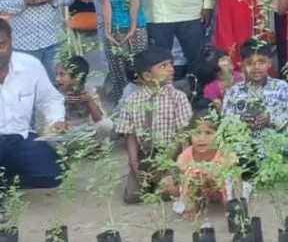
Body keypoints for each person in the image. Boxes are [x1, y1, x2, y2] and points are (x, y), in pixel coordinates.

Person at [115, 47, 192, 204]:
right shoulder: (132, 100)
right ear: (148, 76)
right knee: (133, 196)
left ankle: (165, 180)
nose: (171, 69)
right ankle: (147, 180)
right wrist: (134, 162)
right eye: (163, 66)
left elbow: (181, 135)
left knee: (165, 192)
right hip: (146, 155)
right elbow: (130, 135)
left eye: (170, 64)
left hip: (171, 154)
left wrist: (168, 163)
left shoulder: (178, 97)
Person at [0, 19, 66, 191]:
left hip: (21, 137)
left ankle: (6, 182)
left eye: (1, 45)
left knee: (55, 174)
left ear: (11, 43)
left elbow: (50, 99)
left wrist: (56, 121)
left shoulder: (30, 65)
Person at [222, 40, 288, 176]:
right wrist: (241, 121)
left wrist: (270, 119)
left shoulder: (281, 87)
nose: (256, 67)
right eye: (250, 63)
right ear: (242, 65)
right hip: (244, 154)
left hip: (276, 152)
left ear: (269, 63)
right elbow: (225, 123)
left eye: (261, 62)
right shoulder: (234, 92)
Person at [92, 0, 149, 103]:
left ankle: (142, 105)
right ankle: (121, 108)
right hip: (114, 28)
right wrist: (108, 31)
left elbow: (134, 0)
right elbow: (105, 5)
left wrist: (132, 28)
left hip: (137, 26)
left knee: (139, 67)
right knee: (117, 67)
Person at [168, 113, 241, 220]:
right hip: (201, 191)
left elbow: (236, 176)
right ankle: (192, 209)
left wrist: (238, 202)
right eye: (197, 133)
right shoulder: (186, 156)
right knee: (191, 175)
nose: (202, 138)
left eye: (208, 133)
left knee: (231, 184)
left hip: (223, 188)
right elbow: (183, 184)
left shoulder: (225, 152)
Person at [54, 54, 113, 150]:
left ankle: (93, 146)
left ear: (76, 77)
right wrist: (62, 101)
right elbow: (54, 122)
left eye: (62, 74)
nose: (57, 79)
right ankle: (88, 148)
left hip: (87, 130)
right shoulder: (55, 95)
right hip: (69, 132)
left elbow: (98, 119)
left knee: (106, 124)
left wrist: (88, 100)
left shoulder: (89, 91)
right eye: (56, 74)